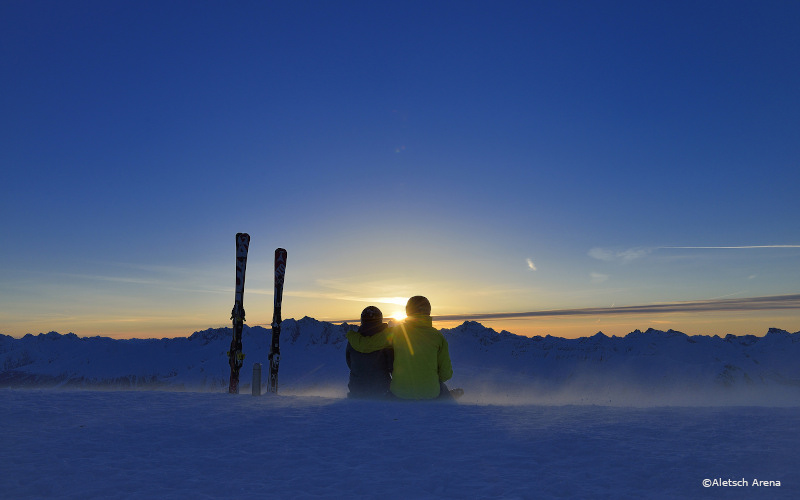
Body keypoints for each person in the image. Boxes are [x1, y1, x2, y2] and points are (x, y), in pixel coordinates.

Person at [346, 296, 454, 400]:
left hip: (400, 393)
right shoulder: (438, 337)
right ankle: (449, 398)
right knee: (441, 387)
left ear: (407, 311)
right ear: (429, 311)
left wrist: (351, 335)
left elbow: (366, 345)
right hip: (431, 393)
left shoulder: (396, 332)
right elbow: (446, 373)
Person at [346, 306, 393, 398]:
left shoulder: (353, 340)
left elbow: (349, 363)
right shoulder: (386, 340)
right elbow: (392, 366)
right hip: (382, 390)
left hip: (356, 390)